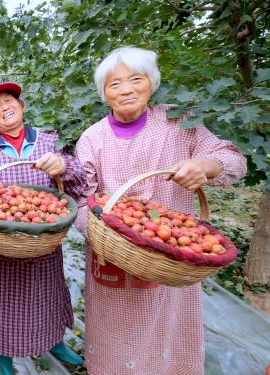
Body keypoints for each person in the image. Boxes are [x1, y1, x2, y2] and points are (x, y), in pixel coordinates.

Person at [74, 47, 247, 374]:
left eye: (135, 79)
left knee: (168, 334)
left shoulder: (178, 122)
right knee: (117, 338)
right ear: (104, 94)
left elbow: (235, 162)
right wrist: (107, 236)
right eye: (114, 84)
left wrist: (206, 166)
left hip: (172, 253)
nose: (125, 89)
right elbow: (82, 200)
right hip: (112, 257)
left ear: (151, 84)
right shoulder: (91, 138)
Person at [0, 82, 87, 375]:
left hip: (41, 241)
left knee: (43, 297)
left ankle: (54, 343)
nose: (5, 106)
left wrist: (62, 165)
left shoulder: (49, 142)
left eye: (10, 100)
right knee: (0, 303)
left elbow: (79, 181)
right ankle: (3, 358)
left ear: (22, 107)